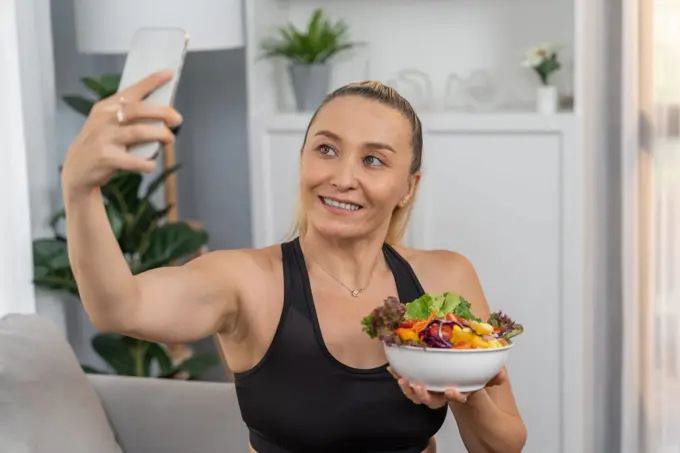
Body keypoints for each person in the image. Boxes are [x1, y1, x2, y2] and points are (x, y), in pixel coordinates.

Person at [61, 70, 528, 453]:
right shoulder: (245, 281)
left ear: (409, 186)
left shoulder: (445, 278)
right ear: (303, 159)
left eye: (374, 160)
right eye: (326, 149)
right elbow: (119, 307)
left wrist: (464, 396)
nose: (343, 177)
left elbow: (503, 446)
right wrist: (80, 190)